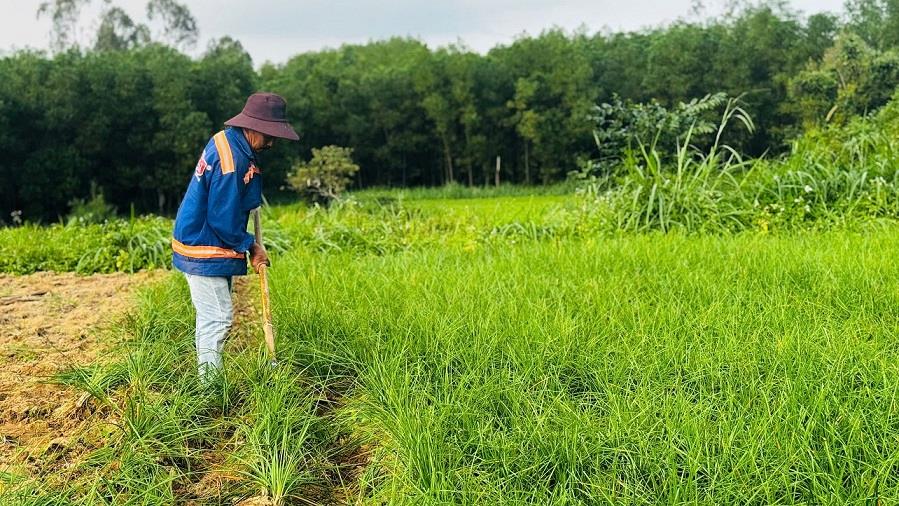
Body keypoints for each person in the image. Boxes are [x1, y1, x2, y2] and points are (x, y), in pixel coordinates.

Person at [171, 92, 300, 379]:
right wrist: (251, 247)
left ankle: (209, 380)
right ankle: (210, 390)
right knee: (217, 318)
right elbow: (222, 219)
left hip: (203, 237)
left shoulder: (230, 141)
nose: (272, 142)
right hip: (204, 243)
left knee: (210, 317)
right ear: (253, 127)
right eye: (269, 135)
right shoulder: (232, 162)